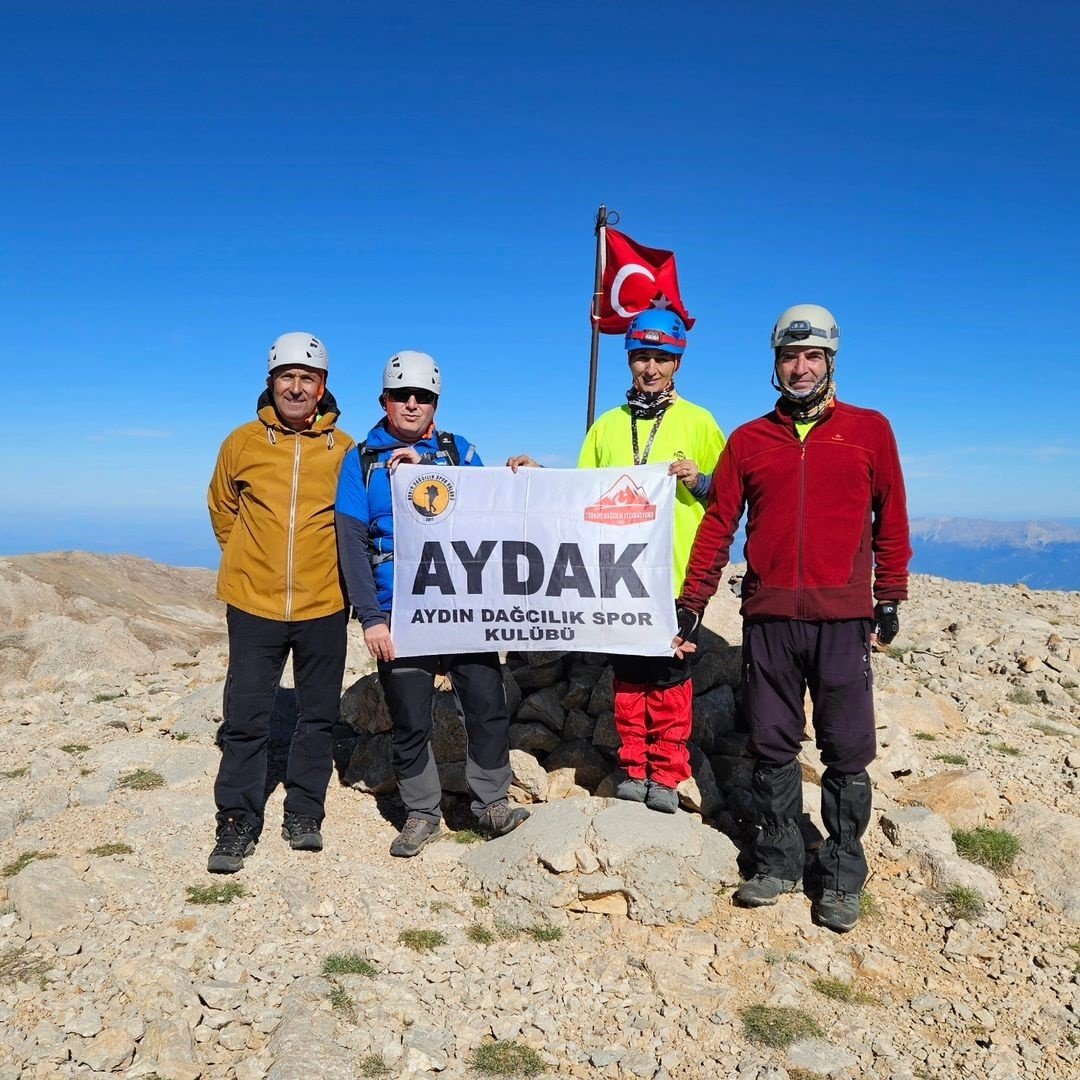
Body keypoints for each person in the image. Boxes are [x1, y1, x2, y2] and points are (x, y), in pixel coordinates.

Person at [673, 304, 910, 931]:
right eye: (789, 357)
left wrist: (890, 594)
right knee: (772, 741)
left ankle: (840, 873)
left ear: (831, 361)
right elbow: (719, 521)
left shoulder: (869, 430)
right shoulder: (750, 440)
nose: (800, 367)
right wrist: (693, 601)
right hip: (771, 616)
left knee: (847, 747)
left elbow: (892, 515)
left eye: (812, 357)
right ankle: (778, 861)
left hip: (842, 617)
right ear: (775, 363)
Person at [509, 310, 725, 813]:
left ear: (677, 363)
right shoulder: (607, 425)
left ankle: (667, 774)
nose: (650, 368)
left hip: (677, 575)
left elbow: (729, 498)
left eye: (661, 359)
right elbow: (581, 494)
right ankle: (632, 766)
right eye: (642, 357)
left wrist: (701, 480)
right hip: (619, 576)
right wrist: (539, 475)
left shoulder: (700, 422)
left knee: (670, 673)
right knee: (629, 672)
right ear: (629, 361)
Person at [335, 350, 530, 857]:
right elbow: (351, 543)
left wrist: (523, 478)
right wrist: (371, 618)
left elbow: (492, 514)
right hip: (399, 611)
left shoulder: (457, 451)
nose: (413, 403)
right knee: (409, 717)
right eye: (402, 395)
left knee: (487, 703)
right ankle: (422, 812)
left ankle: (492, 802)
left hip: (463, 604)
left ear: (436, 404)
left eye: (423, 396)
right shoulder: (361, 461)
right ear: (385, 401)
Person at [206, 332, 355, 873]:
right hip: (252, 602)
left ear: (322, 388)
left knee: (317, 715)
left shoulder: (344, 449)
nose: (296, 387)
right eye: (286, 377)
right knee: (246, 716)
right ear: (271, 383)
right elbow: (223, 508)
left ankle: (304, 811)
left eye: (307, 378)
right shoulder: (241, 442)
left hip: (323, 604)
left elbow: (360, 519)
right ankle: (237, 818)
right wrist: (250, 559)